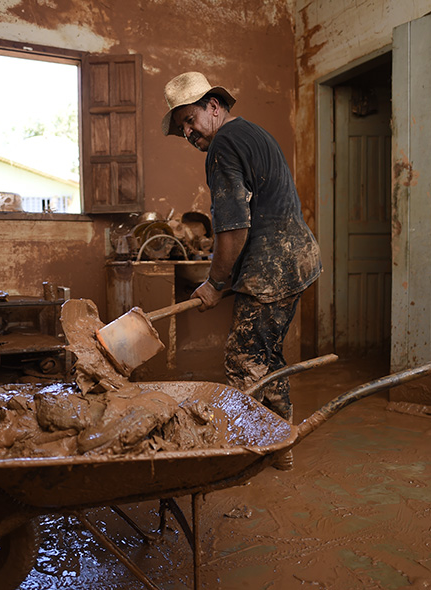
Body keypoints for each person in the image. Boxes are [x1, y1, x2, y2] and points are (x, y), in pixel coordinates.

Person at [161, 72, 322, 470]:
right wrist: (225, 279)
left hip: (272, 265)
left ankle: (243, 456)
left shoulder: (223, 146)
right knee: (266, 354)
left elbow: (233, 227)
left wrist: (215, 283)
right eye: (180, 125)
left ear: (213, 107)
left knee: (242, 359)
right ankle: (280, 444)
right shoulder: (252, 134)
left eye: (189, 119)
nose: (187, 132)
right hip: (295, 256)